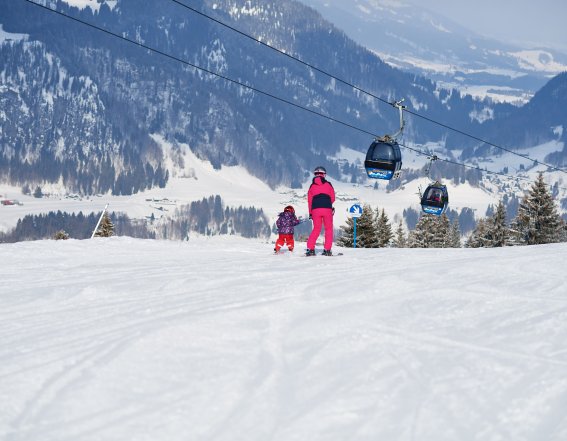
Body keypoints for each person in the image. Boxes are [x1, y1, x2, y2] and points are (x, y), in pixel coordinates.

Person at [306, 166, 335, 256]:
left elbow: (310, 201)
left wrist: (310, 213)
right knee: (328, 229)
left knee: (316, 229)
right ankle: (327, 250)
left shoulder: (312, 186)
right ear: (324, 174)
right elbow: (333, 198)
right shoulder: (328, 184)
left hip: (315, 210)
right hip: (327, 209)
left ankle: (310, 249)